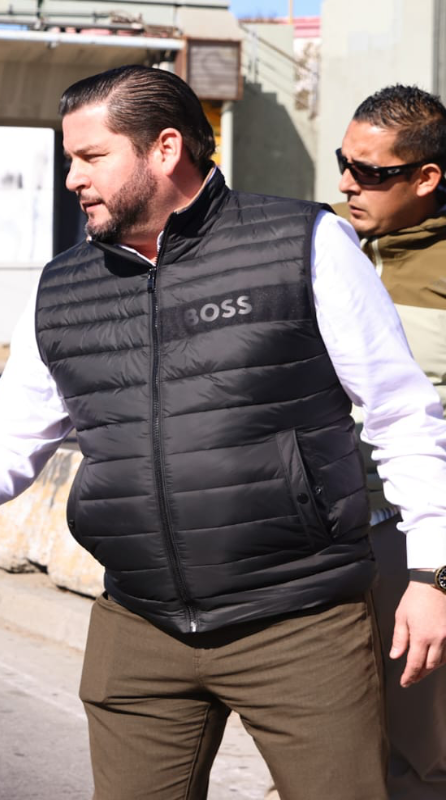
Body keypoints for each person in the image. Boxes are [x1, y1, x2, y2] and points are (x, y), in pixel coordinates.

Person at [0, 66, 446, 800]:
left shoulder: (304, 245)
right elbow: (7, 449)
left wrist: (431, 572)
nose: (72, 178)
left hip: (298, 620)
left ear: (165, 149)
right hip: (140, 626)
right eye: (69, 158)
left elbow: (401, 414)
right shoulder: (61, 288)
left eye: (91, 157)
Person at [334, 84, 446, 799]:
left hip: (414, 541)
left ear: (426, 178)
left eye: (370, 171)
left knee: (423, 752)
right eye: (343, 162)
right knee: (333, 745)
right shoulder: (329, 251)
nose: (347, 182)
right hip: (324, 540)